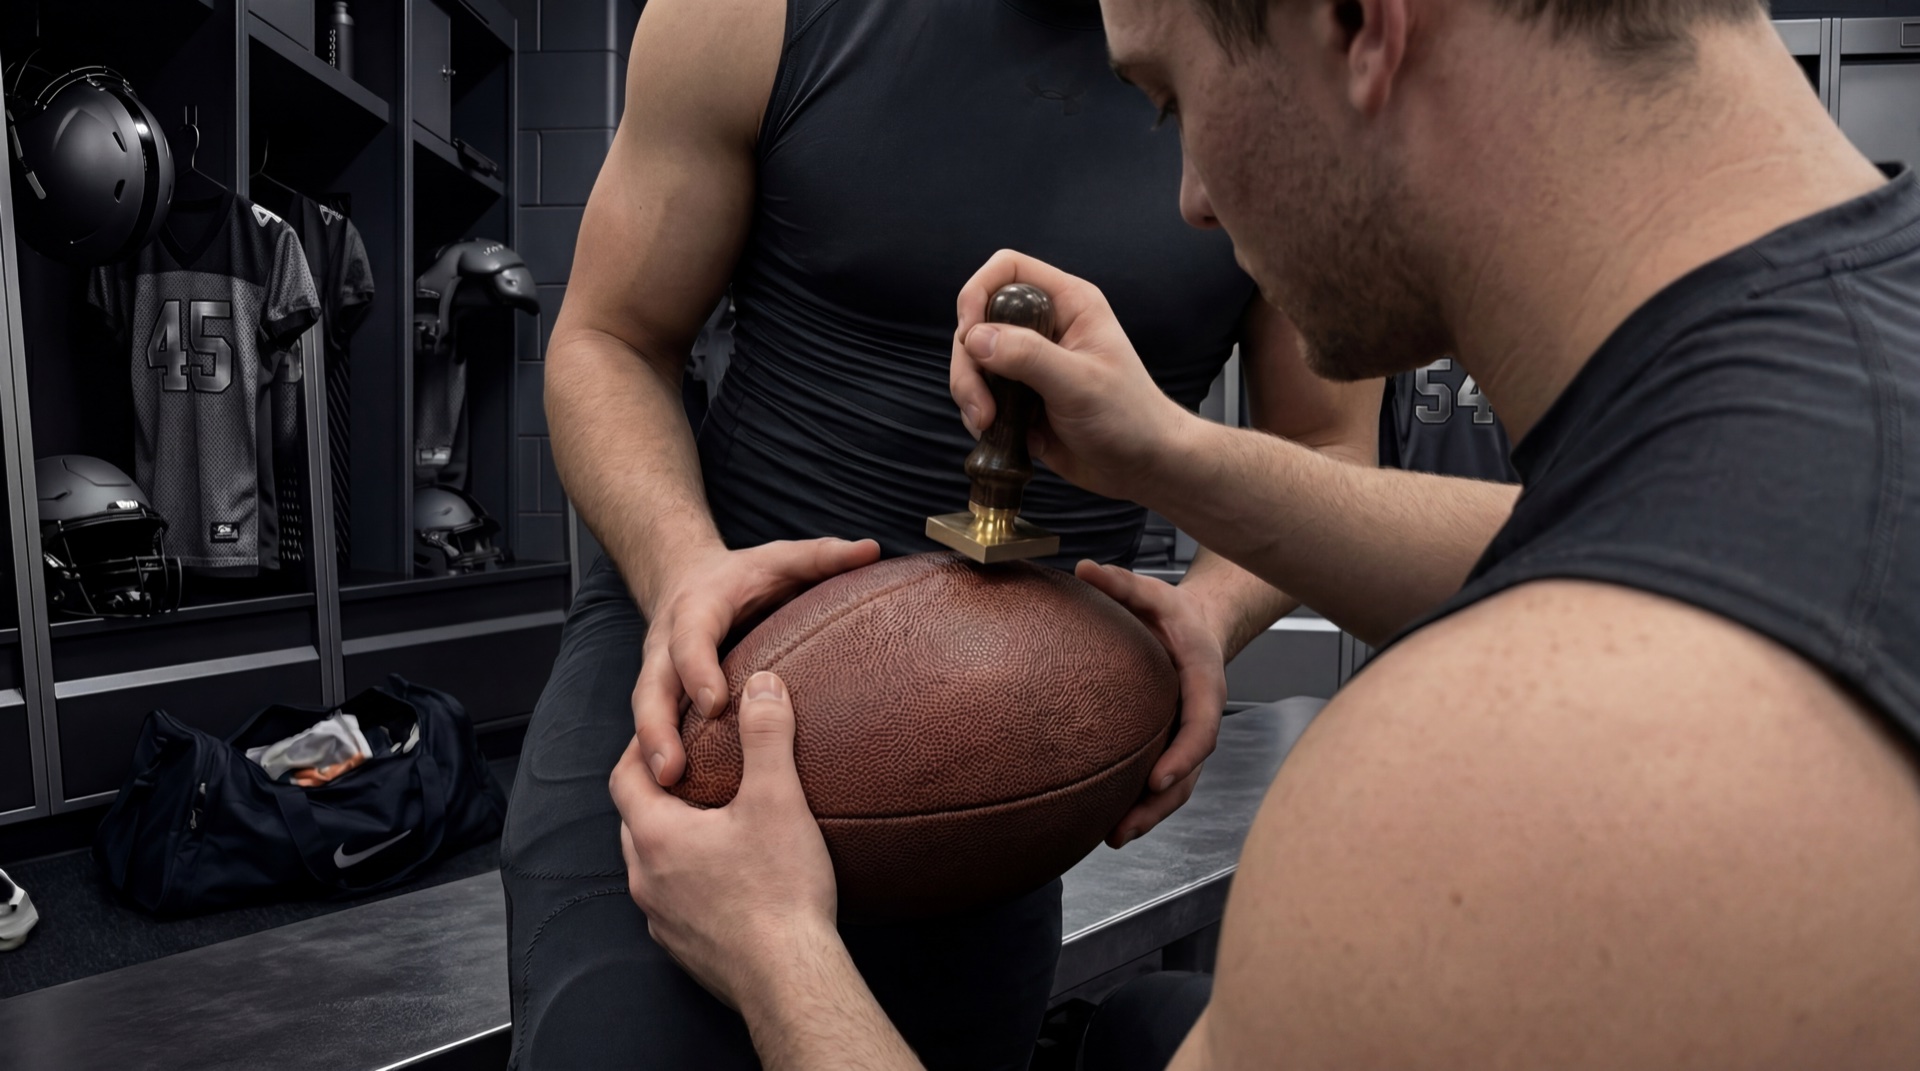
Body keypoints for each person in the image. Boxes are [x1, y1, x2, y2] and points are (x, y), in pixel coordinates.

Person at [609, 0, 1920, 1067]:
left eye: (1175, 102)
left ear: (1357, 22)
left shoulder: (1457, 806)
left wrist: (777, 948)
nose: (1187, 200)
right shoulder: (1840, 381)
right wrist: (1168, 450)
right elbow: (1592, 531)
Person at [506, 0, 1381, 1065]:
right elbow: (609, 338)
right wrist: (683, 565)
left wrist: (1203, 617)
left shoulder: (1279, 64)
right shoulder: (751, 14)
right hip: (698, 663)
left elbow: (1330, 442)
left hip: (989, 743)